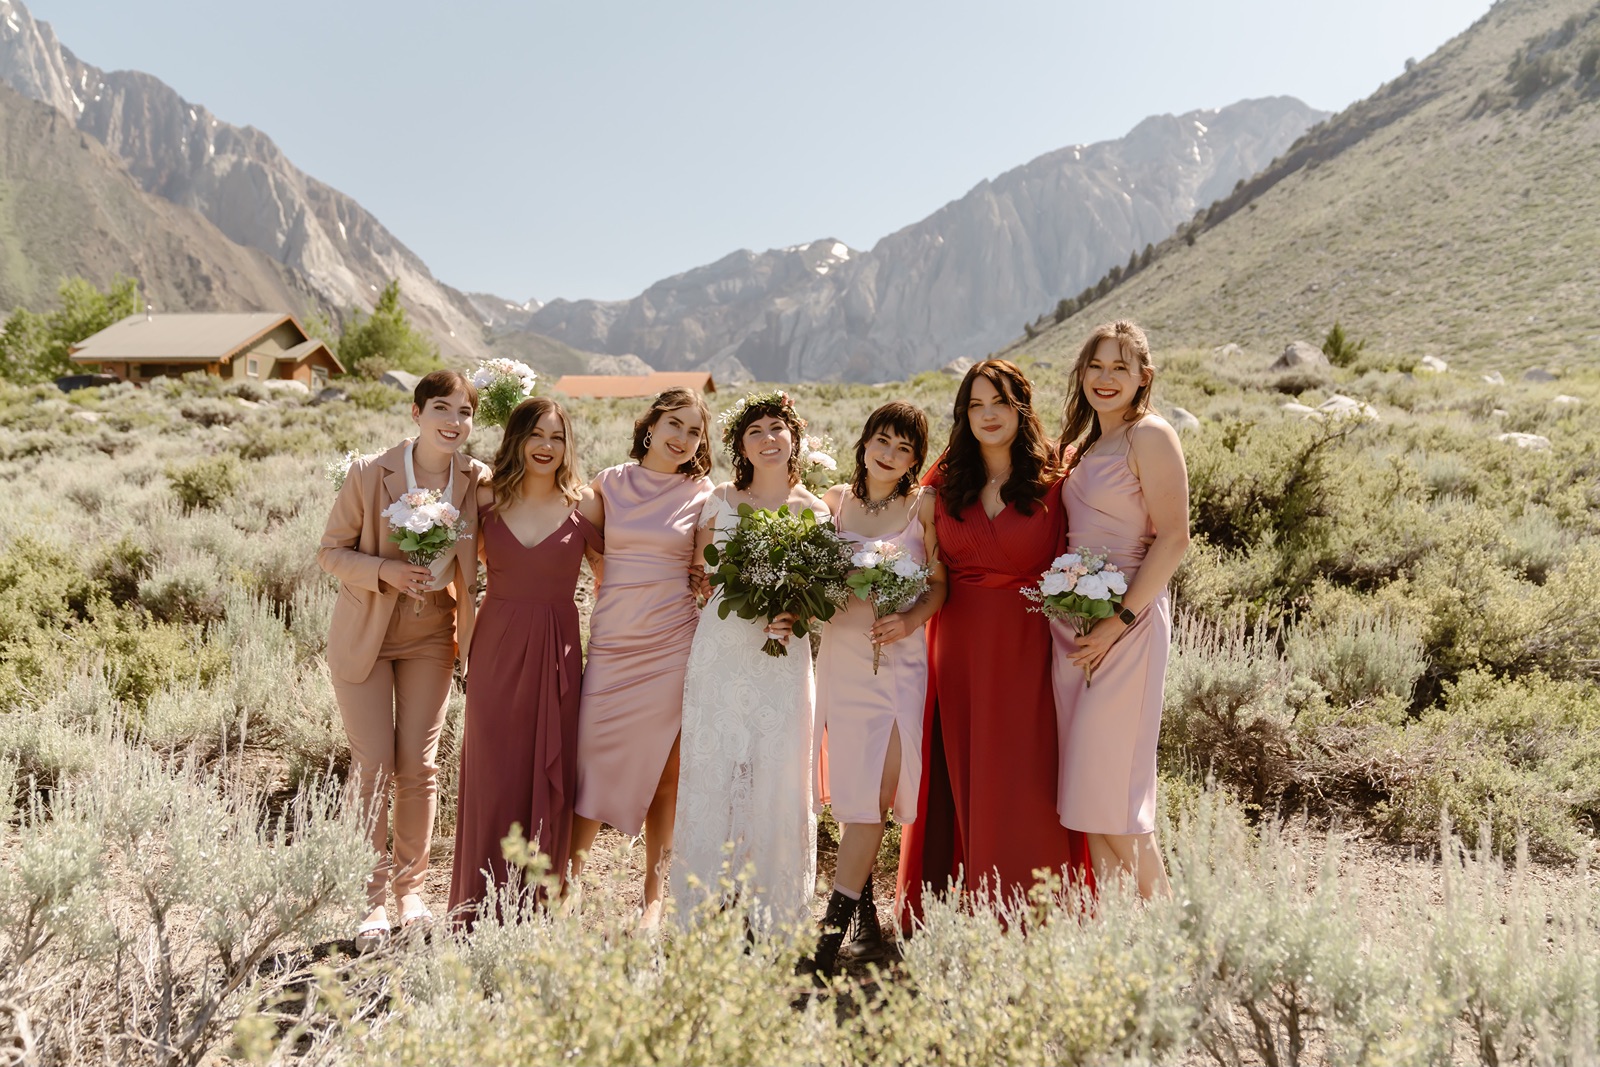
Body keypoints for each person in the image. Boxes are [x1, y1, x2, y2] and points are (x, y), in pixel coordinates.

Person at [894, 359, 1093, 930]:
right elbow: (894, 524)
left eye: (1000, 403)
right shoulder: (943, 481)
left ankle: (1033, 916)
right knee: (963, 775)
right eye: (976, 405)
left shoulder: (1057, 479)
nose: (988, 415)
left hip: (1030, 647)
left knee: (1025, 778)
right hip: (957, 647)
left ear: (1021, 407)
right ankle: (964, 915)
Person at [318, 369, 488, 949]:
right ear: (416, 413)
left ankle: (411, 890)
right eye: (442, 408)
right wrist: (386, 571)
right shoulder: (371, 472)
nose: (453, 422)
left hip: (434, 632)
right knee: (374, 767)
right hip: (367, 629)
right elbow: (330, 551)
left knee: (420, 767)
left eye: (464, 412)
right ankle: (370, 899)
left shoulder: (475, 480)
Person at [671, 390, 826, 935]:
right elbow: (700, 573)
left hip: (783, 654)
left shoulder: (815, 510)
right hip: (722, 648)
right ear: (740, 443)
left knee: (778, 766)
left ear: (794, 439)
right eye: (755, 429)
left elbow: (821, 594)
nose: (767, 438)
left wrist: (794, 613)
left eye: (777, 428)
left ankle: (771, 908)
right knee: (716, 763)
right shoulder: (720, 499)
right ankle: (708, 899)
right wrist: (735, 589)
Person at [448, 397, 602, 924]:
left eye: (557, 437)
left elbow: (613, 582)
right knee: (492, 771)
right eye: (536, 434)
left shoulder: (588, 505)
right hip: (495, 648)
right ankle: (478, 903)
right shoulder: (486, 498)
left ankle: (535, 905)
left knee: (548, 768)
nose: (546, 446)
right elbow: (461, 574)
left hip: (558, 650)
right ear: (516, 439)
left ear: (568, 446)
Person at [1052, 321, 1188, 899]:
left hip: (1126, 631)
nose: (1106, 379)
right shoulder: (1082, 447)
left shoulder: (1150, 436)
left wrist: (1119, 622)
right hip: (1072, 632)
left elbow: (1175, 538)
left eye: (1120, 368)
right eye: (1096, 366)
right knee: (1087, 802)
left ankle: (1179, 936)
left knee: (1116, 800)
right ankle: (1121, 941)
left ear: (1143, 378)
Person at [569, 388, 715, 927]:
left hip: (673, 640)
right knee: (592, 760)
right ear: (650, 425)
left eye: (694, 432)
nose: (682, 438)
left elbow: (706, 568)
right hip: (613, 641)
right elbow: (571, 531)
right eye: (674, 424)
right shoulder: (608, 483)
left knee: (667, 774)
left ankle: (653, 898)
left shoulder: (703, 494)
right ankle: (568, 880)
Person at [812, 402, 944, 974]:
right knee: (853, 791)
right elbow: (810, 578)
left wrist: (911, 620)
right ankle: (861, 914)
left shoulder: (925, 507)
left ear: (915, 459)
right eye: (882, 441)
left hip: (900, 662)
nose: (889, 455)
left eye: (904, 449)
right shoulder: (833, 504)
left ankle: (827, 936)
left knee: (878, 796)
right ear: (865, 441)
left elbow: (939, 585)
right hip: (842, 658)